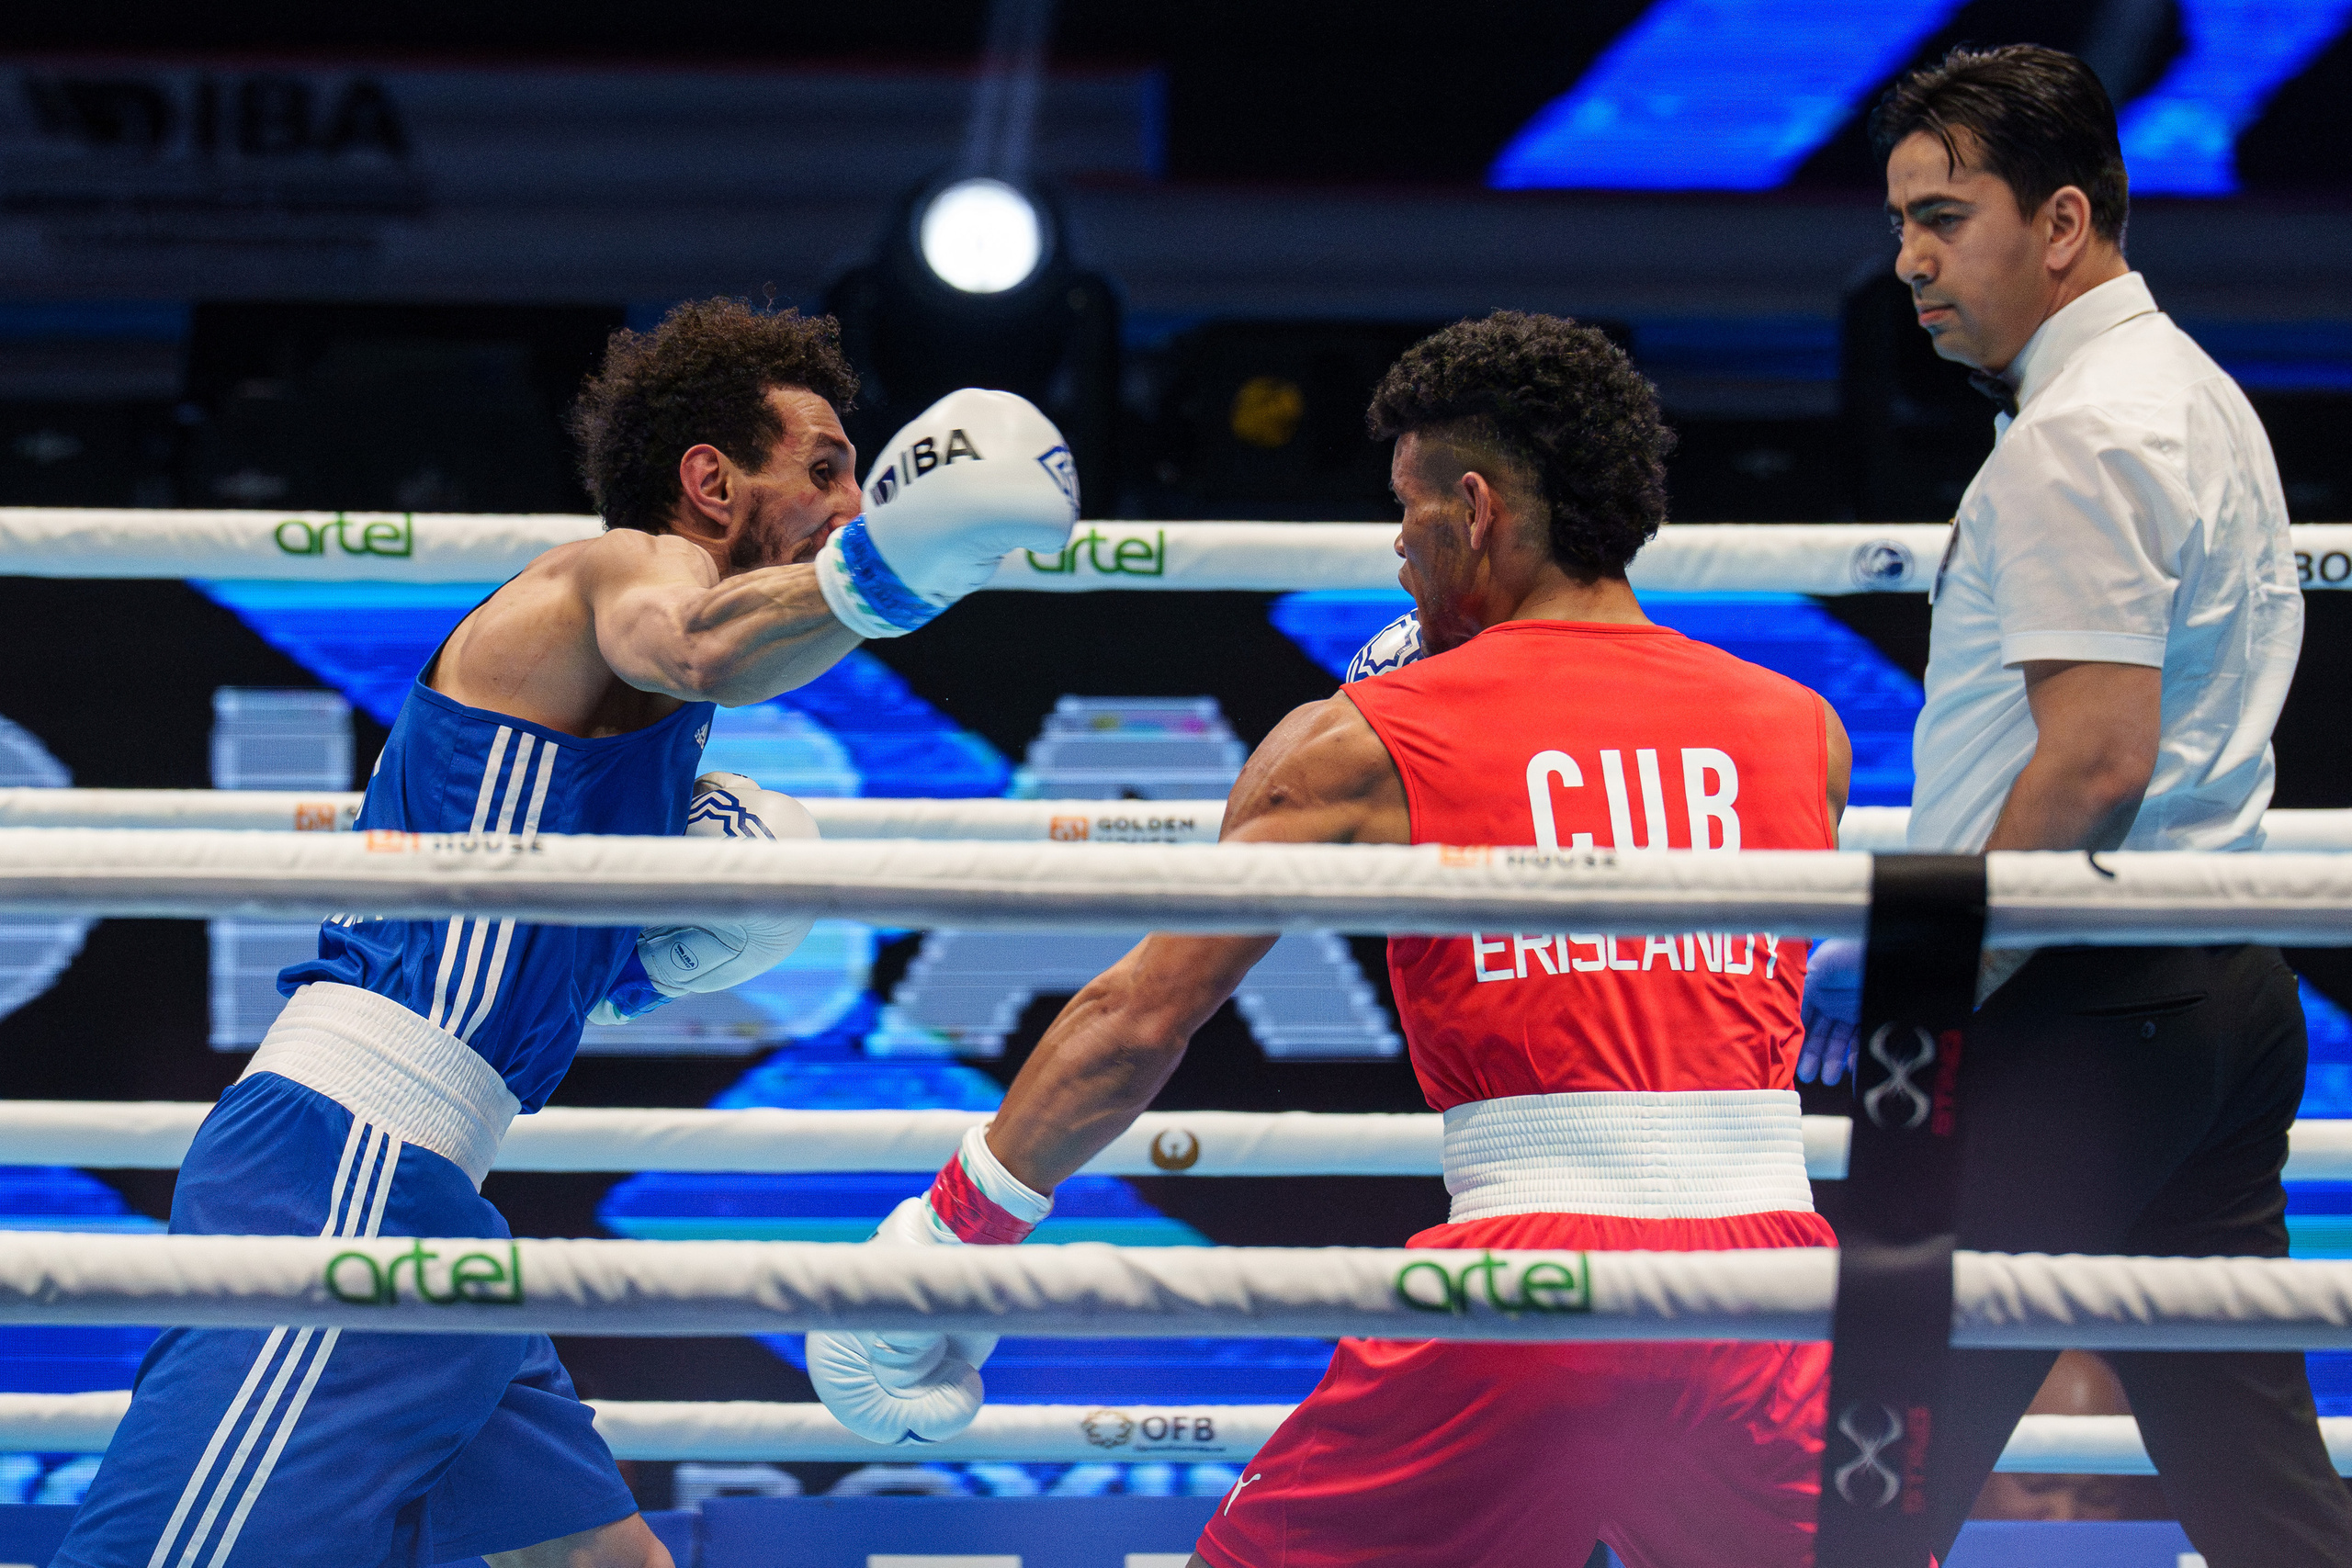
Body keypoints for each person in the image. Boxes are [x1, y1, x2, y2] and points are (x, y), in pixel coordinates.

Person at [808, 310, 1857, 1568]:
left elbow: (1139, 1020)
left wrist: (949, 1236)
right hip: (1778, 1298)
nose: (1397, 548)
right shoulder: (1803, 730)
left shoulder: (1365, 737)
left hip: (1535, 1290)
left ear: (1475, 509)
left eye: (1408, 511)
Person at [55, 299, 1079, 1568]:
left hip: (429, 1181)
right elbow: (698, 647)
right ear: (711, 482)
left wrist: (635, 959)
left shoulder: (630, 752)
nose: (850, 503)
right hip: (345, 1167)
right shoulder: (625, 573)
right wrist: (891, 568)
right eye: (823, 468)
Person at [1797, 46, 2352, 1564]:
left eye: (1944, 217)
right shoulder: (2188, 391)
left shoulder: (2081, 434)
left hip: (2079, 1012)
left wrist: (1930, 972)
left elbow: (2098, 761)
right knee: (2256, 1488)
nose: (1909, 261)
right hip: (2207, 989)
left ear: (2060, 223)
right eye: (1901, 223)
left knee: (1876, 1474)